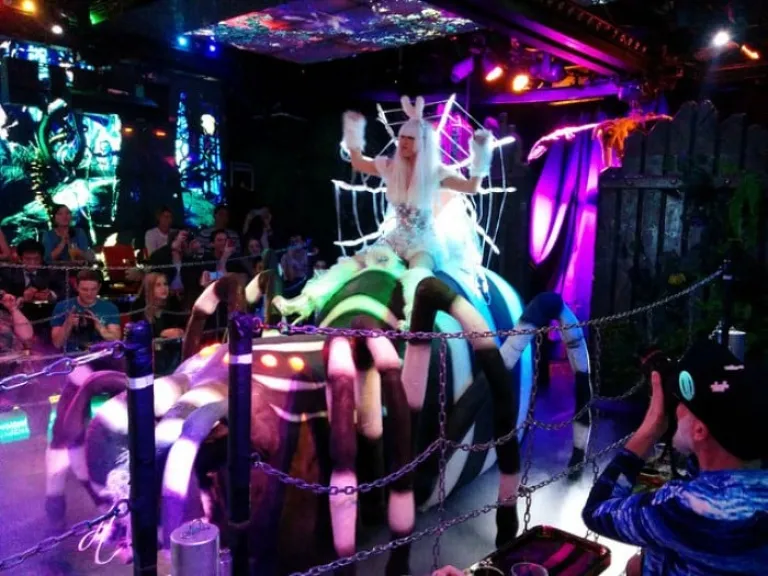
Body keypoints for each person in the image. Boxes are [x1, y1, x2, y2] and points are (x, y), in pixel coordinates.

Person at [274, 95, 493, 324]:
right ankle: (304, 301)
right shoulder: (391, 167)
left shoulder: (435, 173)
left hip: (425, 241)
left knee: (418, 274)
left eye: (410, 138)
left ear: (422, 143)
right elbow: (358, 163)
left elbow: (472, 187)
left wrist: (481, 154)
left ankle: (415, 320)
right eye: (402, 137)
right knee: (352, 264)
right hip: (396, 238)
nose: (403, 142)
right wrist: (354, 133)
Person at [582, 339, 768, 575]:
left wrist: (650, 428)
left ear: (699, 431)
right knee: (636, 566)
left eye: (680, 403)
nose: (675, 408)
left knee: (634, 566)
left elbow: (596, 511)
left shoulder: (686, 507)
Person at [50, 269, 121, 353]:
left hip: (100, 356)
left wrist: (100, 327)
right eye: (84, 289)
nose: (89, 293)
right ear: (76, 287)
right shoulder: (62, 307)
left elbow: (116, 340)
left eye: (93, 289)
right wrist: (68, 323)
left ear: (99, 287)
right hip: (72, 357)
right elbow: (57, 343)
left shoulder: (109, 308)